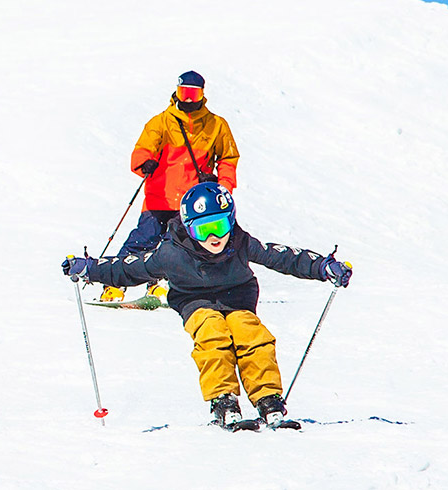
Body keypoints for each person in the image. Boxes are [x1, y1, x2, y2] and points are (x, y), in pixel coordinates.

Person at [62, 182, 353, 430]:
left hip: (237, 298)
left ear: (231, 219)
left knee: (252, 334)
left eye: (220, 226)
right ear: (189, 229)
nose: (213, 237)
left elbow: (284, 257)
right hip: (195, 301)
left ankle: (268, 398)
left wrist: (324, 267)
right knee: (212, 333)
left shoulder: (240, 242)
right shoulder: (170, 254)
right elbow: (128, 269)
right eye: (203, 230)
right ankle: (223, 399)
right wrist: (88, 268)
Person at [100, 70, 240, 303]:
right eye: (183, 93)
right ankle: (114, 285)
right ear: (176, 92)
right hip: (159, 197)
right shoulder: (162, 122)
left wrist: (221, 188)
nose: (187, 100)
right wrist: (145, 162)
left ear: (203, 96)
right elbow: (142, 149)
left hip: (193, 204)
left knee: (181, 248)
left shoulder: (216, 125)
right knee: (143, 240)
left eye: (193, 95)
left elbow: (228, 158)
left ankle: (161, 285)